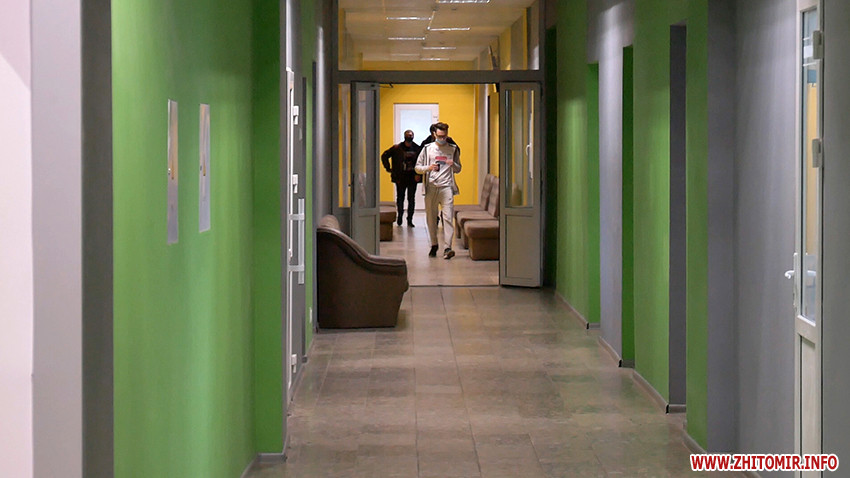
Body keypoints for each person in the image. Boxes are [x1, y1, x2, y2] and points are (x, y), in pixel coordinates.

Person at [415, 122, 461, 259]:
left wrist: (453, 164)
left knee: (448, 217)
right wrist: (428, 168)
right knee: (431, 217)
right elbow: (417, 168)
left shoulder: (453, 149)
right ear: (434, 134)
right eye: (440, 136)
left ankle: (448, 247)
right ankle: (434, 244)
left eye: (444, 136)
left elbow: (458, 169)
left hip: (446, 187)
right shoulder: (427, 149)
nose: (442, 138)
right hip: (431, 187)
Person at [381, 130, 420, 226]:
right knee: (400, 198)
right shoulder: (397, 148)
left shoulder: (416, 148)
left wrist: (419, 174)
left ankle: (410, 219)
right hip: (400, 177)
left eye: (411, 135)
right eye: (408, 135)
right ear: (404, 136)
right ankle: (400, 217)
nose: (409, 137)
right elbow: (384, 156)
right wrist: (388, 168)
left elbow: (421, 161)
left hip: (412, 177)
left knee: (411, 198)